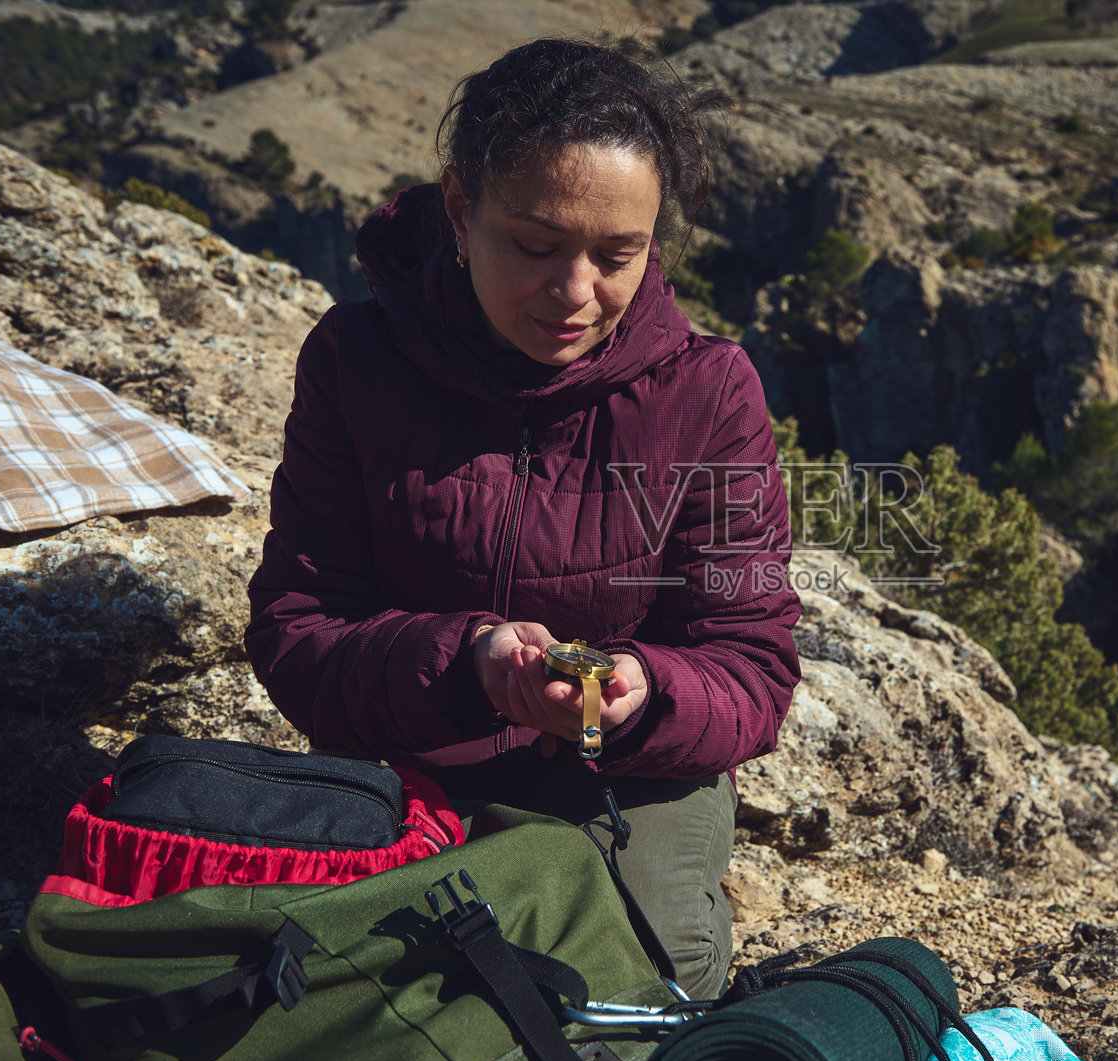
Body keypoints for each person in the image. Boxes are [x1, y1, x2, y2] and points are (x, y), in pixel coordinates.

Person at [243, 37, 802, 999]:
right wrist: (468, 665)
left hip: (627, 773)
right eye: (536, 247)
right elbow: (299, 629)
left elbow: (752, 663)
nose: (576, 292)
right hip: (411, 746)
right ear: (460, 208)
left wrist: (643, 694)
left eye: (619, 255)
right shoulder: (354, 363)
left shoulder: (710, 393)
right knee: (362, 980)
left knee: (642, 980)